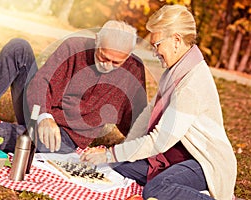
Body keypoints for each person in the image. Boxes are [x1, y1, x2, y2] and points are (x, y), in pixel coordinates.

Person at [80, 5, 237, 200]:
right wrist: (116, 154)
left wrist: (111, 154)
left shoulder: (191, 84)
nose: (155, 52)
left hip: (203, 162)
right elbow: (148, 114)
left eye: (157, 45)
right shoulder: (175, 70)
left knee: (157, 189)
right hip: (174, 157)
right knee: (116, 165)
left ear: (176, 40)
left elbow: (158, 141)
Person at [0, 20, 147, 154]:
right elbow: (41, 81)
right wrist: (44, 115)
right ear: (96, 42)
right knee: (18, 47)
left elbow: (138, 119)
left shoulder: (134, 69)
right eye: (103, 57)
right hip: (39, 111)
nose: (108, 65)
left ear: (128, 55)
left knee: (4, 132)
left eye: (117, 63)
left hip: (66, 137)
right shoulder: (74, 46)